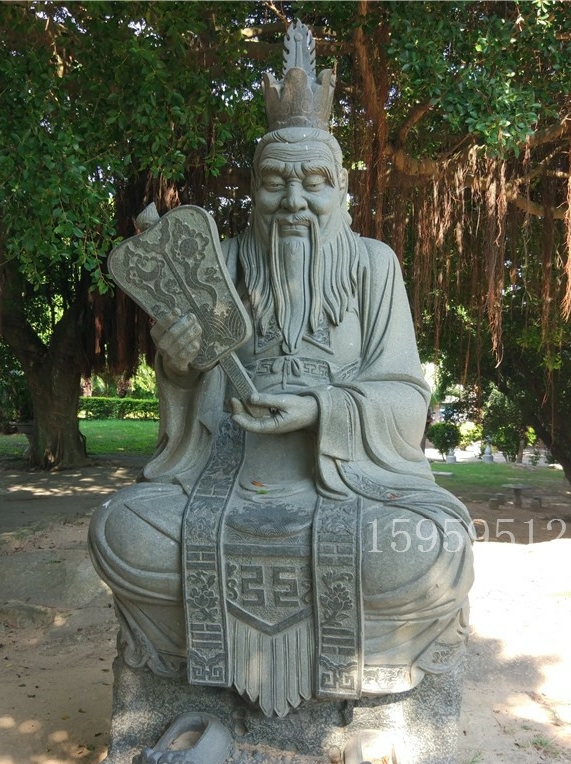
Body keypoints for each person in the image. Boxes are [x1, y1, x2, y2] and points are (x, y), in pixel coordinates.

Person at [89, 22, 473, 721]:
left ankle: (369, 700)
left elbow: (404, 395)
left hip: (347, 480)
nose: (294, 201)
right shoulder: (225, 261)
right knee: (122, 529)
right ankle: (199, 691)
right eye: (274, 183)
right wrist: (178, 364)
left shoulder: (373, 266)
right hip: (226, 473)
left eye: (313, 182)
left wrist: (323, 409)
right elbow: (188, 393)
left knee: (430, 550)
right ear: (253, 191)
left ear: (342, 190)